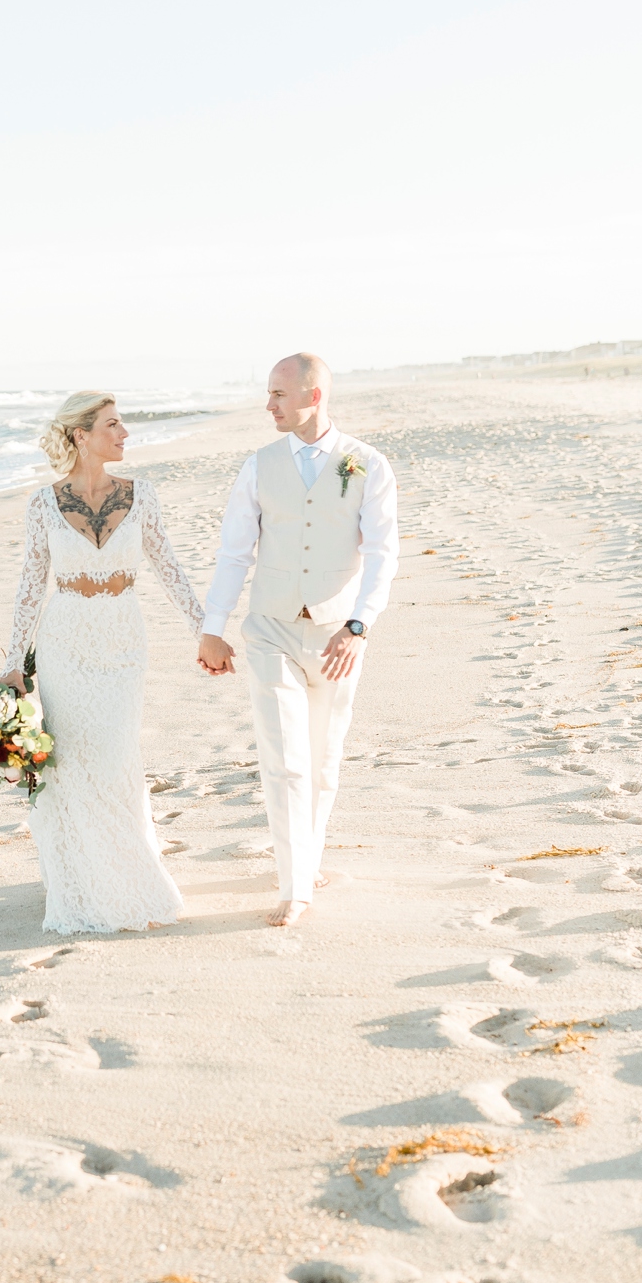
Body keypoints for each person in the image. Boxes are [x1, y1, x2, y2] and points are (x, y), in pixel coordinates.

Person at [196, 353, 398, 927]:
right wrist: (213, 628)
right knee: (285, 759)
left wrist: (360, 626)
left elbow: (384, 553)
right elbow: (235, 552)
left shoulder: (366, 464)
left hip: (339, 636)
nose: (268, 405)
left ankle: (308, 861)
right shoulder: (258, 466)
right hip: (270, 632)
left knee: (324, 760)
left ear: (313, 396)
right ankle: (295, 886)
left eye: (279, 394)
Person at [0, 391, 205, 933]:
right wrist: (15, 663)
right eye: (112, 425)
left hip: (121, 643)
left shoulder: (142, 496)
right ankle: (84, 880)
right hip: (64, 643)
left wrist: (204, 629)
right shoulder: (43, 503)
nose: (124, 434)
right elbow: (29, 587)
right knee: (71, 765)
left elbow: (168, 566)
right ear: (80, 435)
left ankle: (128, 872)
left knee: (114, 756)